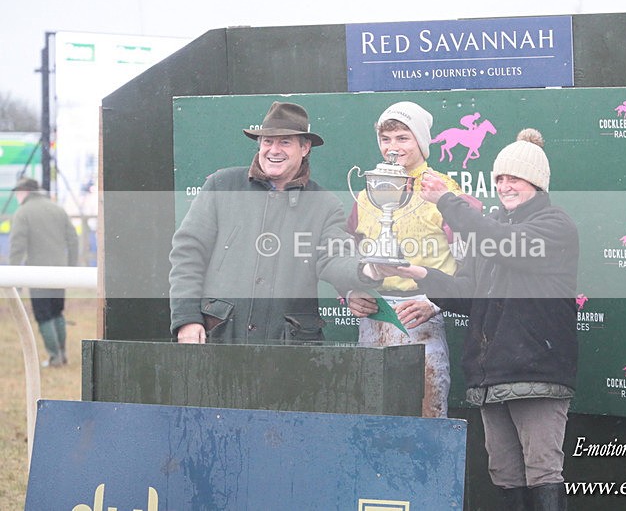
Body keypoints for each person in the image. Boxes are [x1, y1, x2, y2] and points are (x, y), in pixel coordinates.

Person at [383, 128, 579, 509]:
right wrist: (418, 272)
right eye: (500, 178)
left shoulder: (555, 225)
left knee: (543, 471)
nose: (505, 186)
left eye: (515, 178)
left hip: (537, 373)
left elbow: (507, 245)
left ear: (537, 183)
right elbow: (467, 294)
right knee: (504, 475)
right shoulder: (490, 228)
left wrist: (447, 201)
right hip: (491, 377)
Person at [168, 101, 380, 344]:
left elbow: (335, 258)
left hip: (290, 348)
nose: (274, 150)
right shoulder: (221, 185)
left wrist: (367, 270)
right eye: (268, 141)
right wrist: (187, 319)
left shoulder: (325, 204)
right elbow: (188, 253)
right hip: (220, 338)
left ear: (305, 148)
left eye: (285, 142)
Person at [346, 101, 479, 418]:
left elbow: (472, 264)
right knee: (371, 418)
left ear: (421, 141)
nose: (393, 147)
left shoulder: (445, 191)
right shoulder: (366, 193)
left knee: (426, 416)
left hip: (421, 319)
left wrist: (434, 302)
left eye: (403, 138)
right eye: (386, 139)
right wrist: (350, 291)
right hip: (373, 319)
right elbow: (347, 255)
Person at [9, 177, 79, 368]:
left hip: (38, 275)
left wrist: (13, 278)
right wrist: (71, 267)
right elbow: (73, 239)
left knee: (43, 315)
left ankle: (54, 357)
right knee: (57, 312)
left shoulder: (23, 212)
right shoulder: (57, 209)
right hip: (60, 273)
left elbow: (17, 248)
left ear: (24, 192)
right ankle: (62, 355)